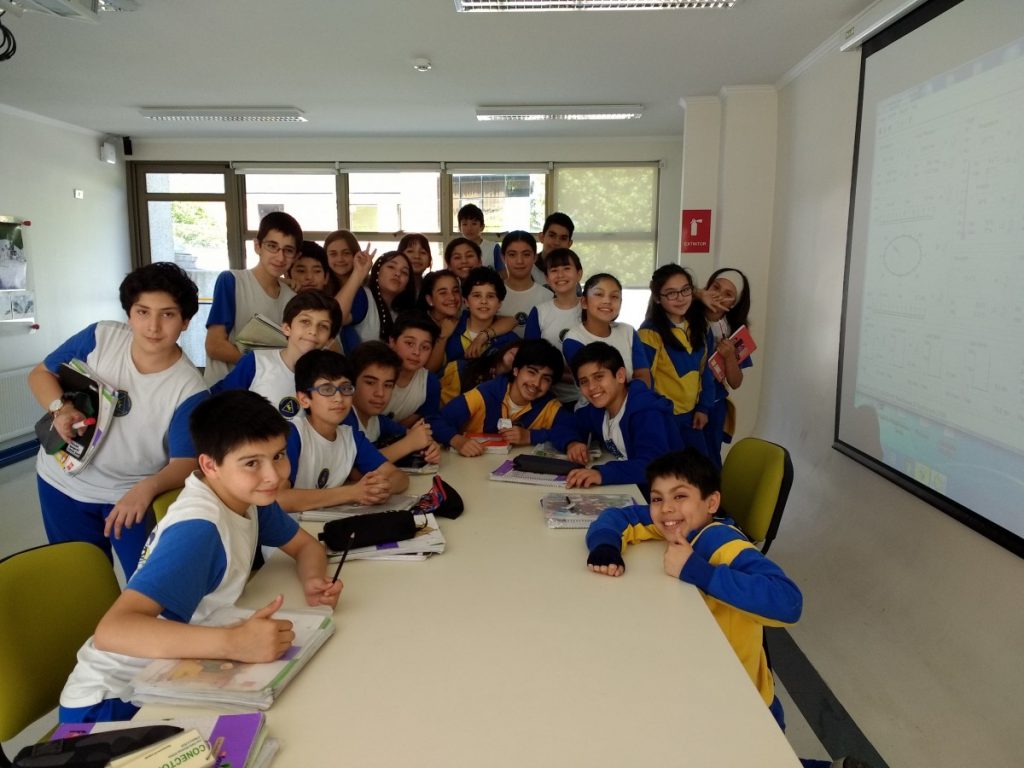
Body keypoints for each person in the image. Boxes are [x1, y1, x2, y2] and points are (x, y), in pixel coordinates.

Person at [58, 390, 342, 724]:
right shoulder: (200, 530)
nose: (273, 475)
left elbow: (307, 547)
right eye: (252, 463)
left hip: (174, 672)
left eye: (278, 455)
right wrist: (233, 643)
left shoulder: (248, 496)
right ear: (209, 465)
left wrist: (313, 580)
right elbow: (113, 631)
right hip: (112, 702)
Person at [584, 449, 802, 733]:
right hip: (698, 678)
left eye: (680, 496)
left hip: (742, 706)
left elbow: (788, 601)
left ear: (711, 502)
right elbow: (618, 516)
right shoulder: (679, 525)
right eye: (657, 498)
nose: (666, 509)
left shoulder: (723, 543)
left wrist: (697, 570)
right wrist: (606, 544)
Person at [29, 262, 208, 579]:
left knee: (149, 582)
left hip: (130, 496)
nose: (153, 326)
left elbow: (185, 462)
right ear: (129, 314)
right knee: (80, 579)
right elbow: (41, 373)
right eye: (142, 312)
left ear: (185, 322)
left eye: (167, 314)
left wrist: (147, 488)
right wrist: (61, 409)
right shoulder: (101, 337)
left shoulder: (189, 388)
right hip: (61, 483)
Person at [279, 350, 409, 512]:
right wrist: (351, 493)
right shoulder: (292, 435)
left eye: (345, 388)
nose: (339, 398)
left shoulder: (351, 436)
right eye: (327, 389)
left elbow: (399, 477)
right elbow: (279, 498)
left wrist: (379, 489)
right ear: (304, 399)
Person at [551, 342, 681, 494]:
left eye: (599, 377)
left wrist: (601, 474)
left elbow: (653, 465)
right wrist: (572, 442)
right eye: (584, 381)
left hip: (668, 495)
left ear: (620, 376)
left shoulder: (646, 413)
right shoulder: (597, 409)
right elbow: (566, 426)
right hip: (632, 489)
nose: (591, 387)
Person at [211, 291, 341, 421]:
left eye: (323, 326)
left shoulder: (333, 380)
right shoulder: (256, 362)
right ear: (287, 328)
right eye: (305, 321)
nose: (313, 331)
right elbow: (220, 404)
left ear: (329, 340)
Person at [204, 211, 300, 385]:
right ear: (257, 246)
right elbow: (214, 345)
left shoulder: (292, 298)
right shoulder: (232, 281)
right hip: (225, 390)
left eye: (288, 250)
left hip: (266, 391)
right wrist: (262, 367)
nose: (280, 257)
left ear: (296, 256)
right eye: (272, 246)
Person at [431, 339, 573, 456]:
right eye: (531, 372)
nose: (536, 383)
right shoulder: (484, 394)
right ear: (516, 370)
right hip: (468, 467)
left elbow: (574, 431)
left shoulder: (549, 405)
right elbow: (435, 421)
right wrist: (458, 441)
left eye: (546, 379)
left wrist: (530, 436)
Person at [639, 264, 714, 457]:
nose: (680, 298)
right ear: (658, 298)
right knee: (669, 470)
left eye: (685, 290)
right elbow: (644, 381)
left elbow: (706, 372)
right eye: (671, 293)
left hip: (693, 416)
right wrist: (655, 416)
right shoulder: (649, 332)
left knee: (700, 469)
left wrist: (703, 408)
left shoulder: (701, 326)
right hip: (664, 418)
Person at [347, 341, 441, 466]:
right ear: (351, 383)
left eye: (388, 385)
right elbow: (358, 466)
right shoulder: (344, 419)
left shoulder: (378, 420)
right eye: (370, 383)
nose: (380, 393)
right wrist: (409, 443)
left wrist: (429, 446)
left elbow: (411, 435)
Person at [700, 267, 753, 468]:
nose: (719, 295)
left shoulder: (736, 333)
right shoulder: (685, 317)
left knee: (709, 459)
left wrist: (729, 356)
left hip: (714, 405)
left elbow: (736, 382)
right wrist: (697, 294)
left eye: (728, 294)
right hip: (682, 402)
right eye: (715, 287)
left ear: (734, 303)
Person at [562, 273, 651, 387]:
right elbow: (595, 385)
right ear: (584, 302)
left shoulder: (628, 331)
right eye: (599, 294)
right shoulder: (574, 339)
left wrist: (635, 395)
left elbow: (643, 376)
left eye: (614, 296)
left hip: (636, 397)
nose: (607, 301)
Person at [523, 247, 583, 404]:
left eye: (566, 268)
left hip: (589, 397)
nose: (560, 275)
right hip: (546, 398)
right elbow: (531, 358)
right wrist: (565, 375)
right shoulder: (539, 312)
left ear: (579, 274)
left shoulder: (591, 309)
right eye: (554, 270)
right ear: (547, 278)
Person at [441, 266, 520, 366]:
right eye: (477, 295)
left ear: (499, 304)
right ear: (466, 301)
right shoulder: (451, 331)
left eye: (490, 296)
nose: (484, 301)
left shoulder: (510, 341)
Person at [338, 250, 417, 346]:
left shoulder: (404, 314)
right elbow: (336, 317)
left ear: (407, 285)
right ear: (377, 272)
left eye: (404, 272)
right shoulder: (364, 297)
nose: (397, 273)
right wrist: (358, 272)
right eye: (391, 267)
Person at [385, 312, 442, 427]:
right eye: (409, 343)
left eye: (425, 347)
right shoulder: (373, 373)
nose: (416, 352)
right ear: (392, 342)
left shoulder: (429, 383)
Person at [497, 230, 552, 337]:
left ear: (535, 257)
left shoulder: (548, 296)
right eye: (512, 255)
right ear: (503, 258)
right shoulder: (492, 294)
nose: (519, 261)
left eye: (526, 254)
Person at [439, 338, 522, 406]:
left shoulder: (506, 393)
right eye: (519, 346)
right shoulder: (460, 367)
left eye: (522, 354)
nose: (517, 352)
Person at [457, 203, 501, 270]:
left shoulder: (493, 248)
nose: (469, 228)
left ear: (482, 226)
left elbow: (502, 274)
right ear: (460, 227)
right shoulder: (456, 250)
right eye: (465, 224)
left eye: (474, 224)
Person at [535, 211, 574, 279]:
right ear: (542, 237)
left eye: (563, 238)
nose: (556, 242)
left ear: (569, 244)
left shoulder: (572, 271)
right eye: (552, 236)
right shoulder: (527, 267)